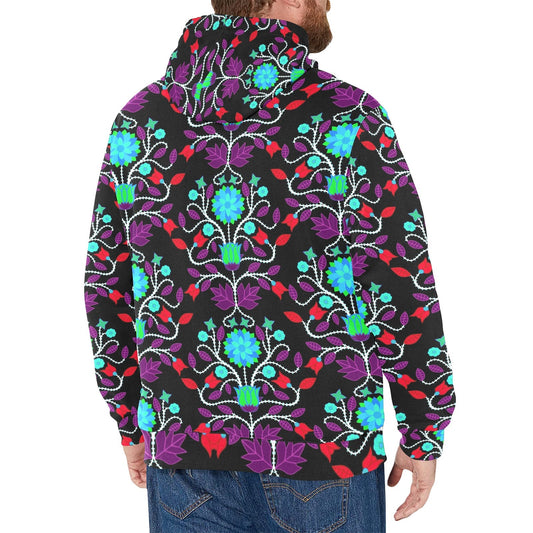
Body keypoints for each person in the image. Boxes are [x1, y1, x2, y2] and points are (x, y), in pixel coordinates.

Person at [82, 0, 456, 531]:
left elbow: (106, 286)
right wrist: (424, 425)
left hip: (185, 451)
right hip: (327, 446)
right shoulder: (346, 115)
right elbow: (400, 278)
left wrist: (129, 420)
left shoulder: (140, 120)